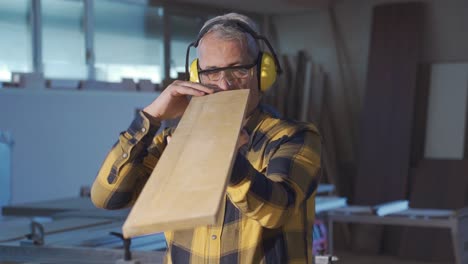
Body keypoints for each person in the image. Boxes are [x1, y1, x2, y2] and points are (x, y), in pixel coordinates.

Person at [91, 12, 321, 264]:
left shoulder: (293, 137)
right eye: (212, 72)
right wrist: (151, 116)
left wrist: (228, 161)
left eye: (238, 70)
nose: (224, 85)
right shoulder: (174, 140)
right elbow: (108, 197)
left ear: (262, 73)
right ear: (196, 76)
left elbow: (278, 210)